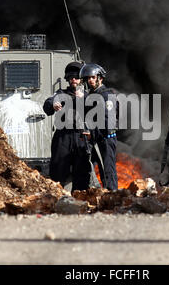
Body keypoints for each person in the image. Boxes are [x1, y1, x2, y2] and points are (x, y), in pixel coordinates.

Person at [43, 61, 92, 192]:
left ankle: (79, 204)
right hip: (63, 137)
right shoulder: (61, 93)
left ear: (81, 80)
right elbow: (48, 103)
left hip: (81, 137)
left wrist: (82, 99)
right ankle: (54, 201)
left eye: (76, 77)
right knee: (57, 173)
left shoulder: (89, 96)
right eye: (71, 78)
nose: (73, 80)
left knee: (81, 175)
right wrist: (53, 103)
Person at [80, 63, 118, 190]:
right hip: (93, 139)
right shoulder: (90, 96)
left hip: (105, 139)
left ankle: (113, 199)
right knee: (87, 172)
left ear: (100, 78)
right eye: (87, 78)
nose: (90, 80)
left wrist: (93, 134)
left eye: (92, 77)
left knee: (107, 173)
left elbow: (109, 122)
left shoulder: (107, 95)